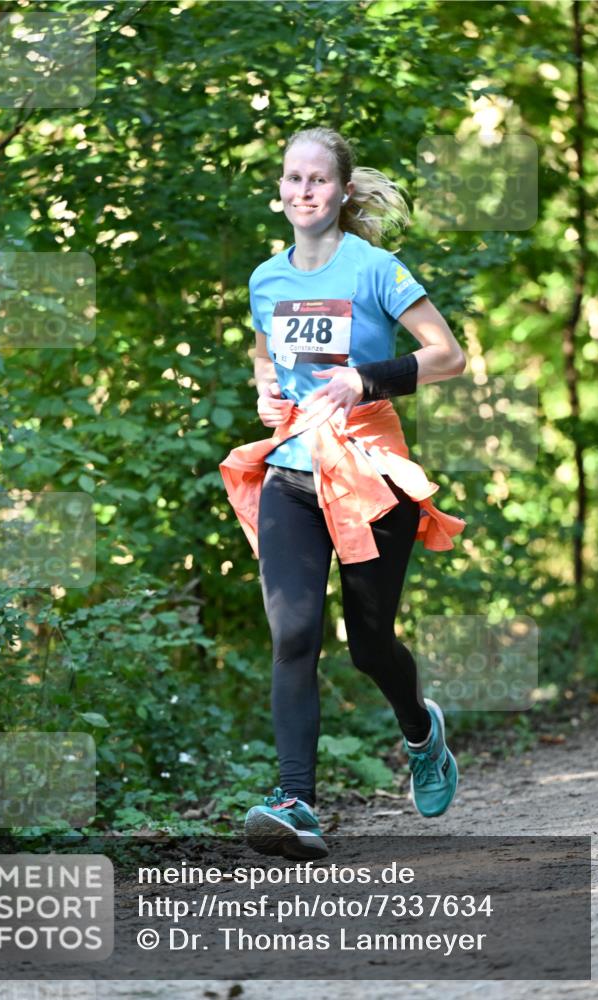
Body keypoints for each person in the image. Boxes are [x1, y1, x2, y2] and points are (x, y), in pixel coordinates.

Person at [219, 126, 467, 861]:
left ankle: (420, 731)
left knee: (366, 644)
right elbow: (266, 352)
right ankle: (296, 801)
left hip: (367, 467)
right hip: (292, 470)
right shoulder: (267, 278)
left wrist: (365, 378)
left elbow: (447, 354)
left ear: (343, 190)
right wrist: (265, 390)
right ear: (280, 191)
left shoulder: (375, 269)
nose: (303, 191)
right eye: (293, 179)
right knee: (293, 636)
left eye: (317, 180)